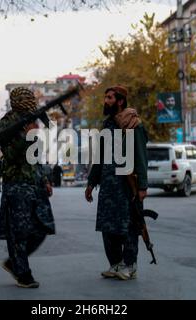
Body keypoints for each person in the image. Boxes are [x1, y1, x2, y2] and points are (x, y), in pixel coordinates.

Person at [85, 85, 148, 281]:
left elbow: (140, 156)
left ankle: (130, 265)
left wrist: (143, 186)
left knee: (128, 226)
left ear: (120, 101)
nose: (106, 101)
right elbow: (99, 157)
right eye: (105, 97)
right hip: (108, 186)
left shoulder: (133, 125)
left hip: (126, 186)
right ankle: (115, 263)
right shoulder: (107, 125)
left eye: (110, 98)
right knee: (107, 226)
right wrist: (91, 182)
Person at [0, 87, 55, 288]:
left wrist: (45, 179)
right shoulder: (6, 124)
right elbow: (10, 156)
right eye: (26, 99)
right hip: (17, 185)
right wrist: (26, 136)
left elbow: (36, 155)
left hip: (35, 183)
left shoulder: (31, 121)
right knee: (18, 232)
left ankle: (14, 263)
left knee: (43, 227)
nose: (30, 102)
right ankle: (23, 272)